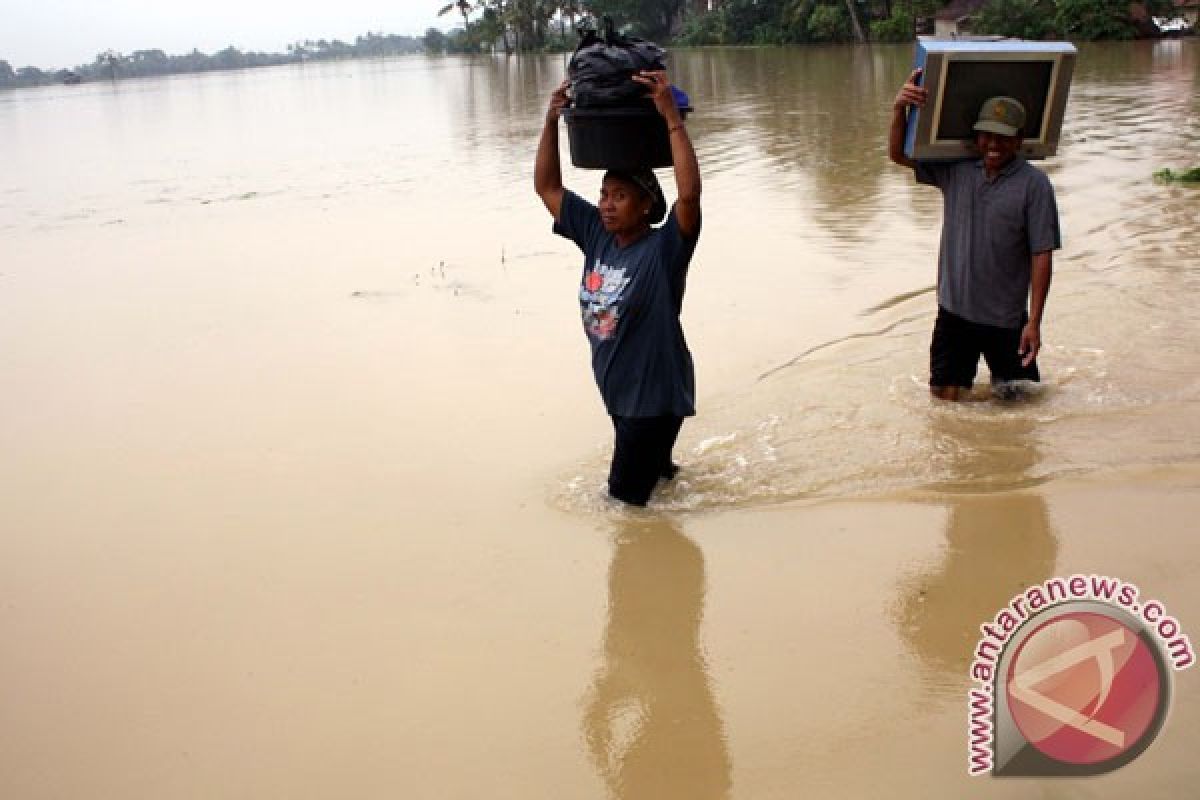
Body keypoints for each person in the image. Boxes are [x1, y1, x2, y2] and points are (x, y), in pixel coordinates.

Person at [534, 70, 702, 506]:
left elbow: (689, 198)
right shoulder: (596, 234)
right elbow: (547, 187)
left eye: (619, 196)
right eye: (604, 194)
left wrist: (671, 118)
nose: (606, 204)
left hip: (651, 400)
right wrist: (551, 122)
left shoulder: (664, 248)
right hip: (622, 395)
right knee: (658, 486)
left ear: (646, 204)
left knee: (622, 506)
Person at [888, 68, 1062, 401]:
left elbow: (1042, 254)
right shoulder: (955, 172)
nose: (993, 145)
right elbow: (898, 154)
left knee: (1022, 411)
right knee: (944, 406)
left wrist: (1034, 322)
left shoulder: (1034, 186)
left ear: (1019, 140)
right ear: (976, 136)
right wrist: (900, 109)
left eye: (1003, 138)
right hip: (954, 314)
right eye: (987, 136)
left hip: (1007, 320)